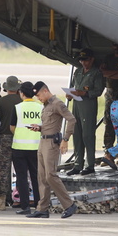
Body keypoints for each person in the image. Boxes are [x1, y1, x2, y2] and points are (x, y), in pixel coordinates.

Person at [27, 81, 78, 219]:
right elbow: (50, 124)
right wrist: (39, 127)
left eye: (38, 95)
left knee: (51, 175)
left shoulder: (57, 103)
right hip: (42, 141)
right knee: (42, 177)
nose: (38, 98)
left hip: (51, 144)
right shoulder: (46, 106)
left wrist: (65, 139)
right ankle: (42, 209)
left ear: (45, 91)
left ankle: (69, 205)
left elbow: (71, 119)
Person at [66, 49, 104, 175]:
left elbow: (98, 91)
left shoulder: (96, 73)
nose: (83, 63)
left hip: (88, 105)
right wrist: (70, 94)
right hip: (76, 105)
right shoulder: (77, 72)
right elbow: (73, 87)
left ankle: (89, 164)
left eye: (86, 60)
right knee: (76, 134)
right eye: (81, 60)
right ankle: (78, 164)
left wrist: (85, 93)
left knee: (87, 135)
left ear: (92, 59)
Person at [10, 81, 41, 215]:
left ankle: (25, 206)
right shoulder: (41, 107)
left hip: (19, 147)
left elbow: (12, 127)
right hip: (35, 147)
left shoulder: (17, 108)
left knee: (22, 177)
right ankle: (39, 204)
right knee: (36, 177)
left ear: (21, 93)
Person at [0, 75, 21, 210]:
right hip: (20, 138)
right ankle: (20, 198)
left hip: (4, 138)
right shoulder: (22, 101)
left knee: (2, 170)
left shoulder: (1, 102)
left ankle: (1, 200)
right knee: (21, 169)